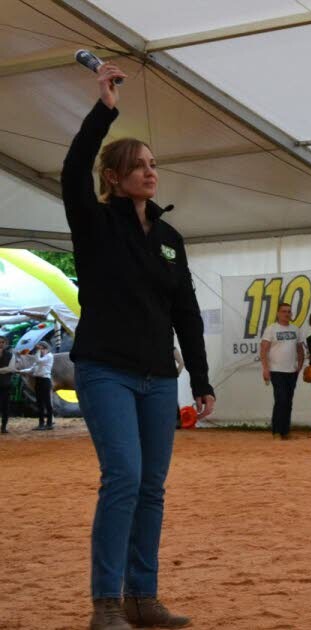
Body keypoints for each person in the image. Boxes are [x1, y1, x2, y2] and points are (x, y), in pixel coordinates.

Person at [64, 61, 213, 629]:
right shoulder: (96, 223)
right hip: (105, 370)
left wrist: (201, 380)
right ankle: (105, 602)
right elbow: (73, 168)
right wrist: (105, 109)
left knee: (151, 488)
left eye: (153, 164)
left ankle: (142, 598)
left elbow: (187, 313)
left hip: (159, 377)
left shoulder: (170, 238)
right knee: (124, 477)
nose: (151, 172)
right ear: (113, 176)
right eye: (139, 166)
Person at [260, 302, 305, 440]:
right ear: (278, 313)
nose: (287, 314)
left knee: (288, 401)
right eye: (284, 311)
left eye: (289, 311)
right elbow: (263, 350)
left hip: (292, 372)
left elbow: (300, 349)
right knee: (281, 400)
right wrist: (265, 368)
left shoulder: (296, 329)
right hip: (276, 371)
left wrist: (300, 366)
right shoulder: (271, 329)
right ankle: (277, 432)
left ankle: (285, 431)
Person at [21, 341, 56, 431]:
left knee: (47, 402)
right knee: (39, 402)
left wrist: (37, 351)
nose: (41, 351)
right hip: (38, 381)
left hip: (45, 380)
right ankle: (41, 423)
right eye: (40, 349)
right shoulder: (41, 358)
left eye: (42, 349)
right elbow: (31, 369)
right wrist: (20, 371)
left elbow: (38, 361)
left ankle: (49, 423)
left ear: (46, 349)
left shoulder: (49, 356)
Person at [0, 337, 13, 434]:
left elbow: (11, 369)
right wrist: (4, 370)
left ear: (5, 344)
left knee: (5, 407)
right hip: (5, 382)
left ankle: (3, 427)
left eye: (2, 342)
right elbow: (7, 369)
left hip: (5, 384)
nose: (0, 344)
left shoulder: (10, 355)